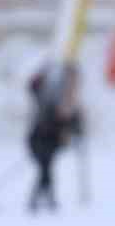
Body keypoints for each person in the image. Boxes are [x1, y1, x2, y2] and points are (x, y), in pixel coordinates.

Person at [26, 65, 83, 214]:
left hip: (50, 143)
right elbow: (33, 88)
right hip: (39, 141)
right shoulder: (46, 101)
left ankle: (41, 199)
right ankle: (43, 200)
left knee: (45, 170)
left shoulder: (66, 104)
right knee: (45, 170)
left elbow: (74, 124)